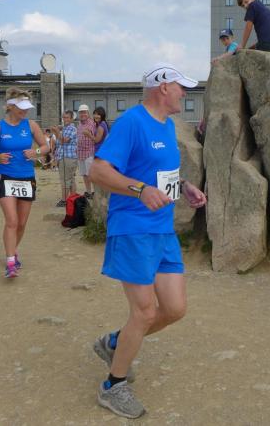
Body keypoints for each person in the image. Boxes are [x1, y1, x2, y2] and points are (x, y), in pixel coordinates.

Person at [89, 63, 207, 418]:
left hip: (162, 230)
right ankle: (113, 386)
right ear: (163, 88)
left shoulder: (167, 125)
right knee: (144, 312)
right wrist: (140, 190)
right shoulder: (132, 122)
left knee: (174, 309)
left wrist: (184, 186)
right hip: (133, 229)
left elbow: (158, 172)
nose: (185, 93)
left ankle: (114, 342)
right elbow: (98, 171)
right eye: (181, 87)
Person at [0, 87, 50, 278]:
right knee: (12, 221)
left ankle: (13, 250)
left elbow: (46, 146)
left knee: (21, 223)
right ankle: (10, 262)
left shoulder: (31, 125)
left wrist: (35, 152)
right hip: (5, 177)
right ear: (10, 106)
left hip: (26, 177)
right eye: (22, 107)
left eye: (27, 107)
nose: (25, 111)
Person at [52, 111, 78, 206]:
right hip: (64, 157)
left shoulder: (72, 128)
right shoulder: (65, 129)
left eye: (67, 117)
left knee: (65, 180)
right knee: (71, 180)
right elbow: (59, 144)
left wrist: (57, 132)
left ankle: (64, 201)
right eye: (64, 117)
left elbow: (64, 141)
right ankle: (73, 199)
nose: (65, 119)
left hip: (68, 157)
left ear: (71, 119)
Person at [76, 104, 96, 198]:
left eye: (84, 112)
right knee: (84, 174)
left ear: (88, 113)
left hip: (89, 152)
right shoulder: (79, 124)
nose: (82, 114)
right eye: (81, 112)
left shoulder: (92, 123)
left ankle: (95, 192)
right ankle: (88, 192)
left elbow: (96, 138)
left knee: (91, 174)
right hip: (80, 153)